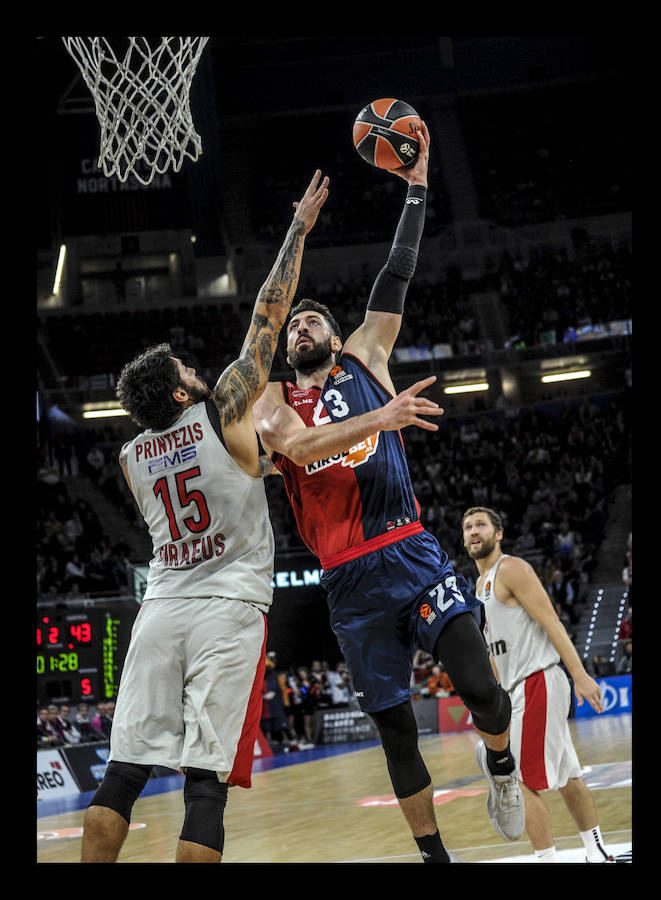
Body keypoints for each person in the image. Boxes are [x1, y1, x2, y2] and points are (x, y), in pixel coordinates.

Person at [253, 122, 524, 864]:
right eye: (293, 323)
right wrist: (382, 416)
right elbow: (299, 449)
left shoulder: (366, 358)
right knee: (395, 730)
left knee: (482, 691)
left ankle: (498, 763)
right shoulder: (273, 400)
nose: (300, 325)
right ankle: (436, 858)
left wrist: (415, 186)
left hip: (409, 549)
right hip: (348, 580)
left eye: (313, 320)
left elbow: (396, 274)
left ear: (338, 341)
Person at [79, 168, 331, 864]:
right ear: (184, 390)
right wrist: (296, 230)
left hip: (160, 608)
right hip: (226, 608)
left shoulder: (132, 456)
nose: (199, 370)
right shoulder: (221, 412)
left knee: (122, 773)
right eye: (189, 369)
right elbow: (267, 318)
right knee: (204, 785)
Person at [461, 505, 616, 863]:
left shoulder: (511, 569)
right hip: (517, 690)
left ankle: (546, 858)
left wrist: (580, 675)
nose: (473, 531)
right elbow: (492, 654)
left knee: (517, 780)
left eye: (481, 525)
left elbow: (552, 622)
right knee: (568, 774)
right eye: (467, 527)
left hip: (537, 681)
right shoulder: (478, 588)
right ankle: (596, 851)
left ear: (498, 534)